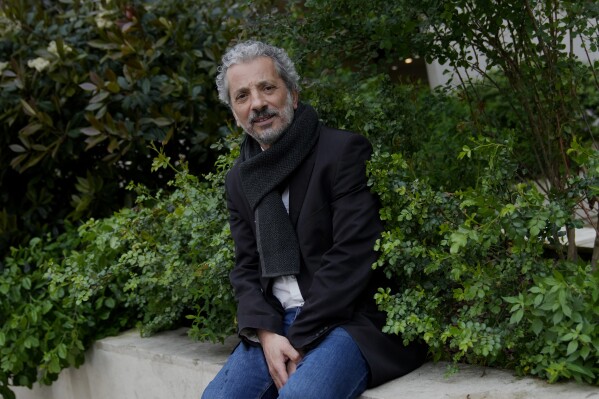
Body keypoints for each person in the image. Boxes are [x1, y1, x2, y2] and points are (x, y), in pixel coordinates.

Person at [201, 40, 426, 399]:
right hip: (275, 325)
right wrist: (267, 335)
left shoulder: (341, 152)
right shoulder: (239, 179)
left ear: (293, 94)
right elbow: (245, 268)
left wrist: (298, 338)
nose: (257, 103)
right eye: (242, 96)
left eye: (267, 88)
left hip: (347, 320)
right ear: (234, 113)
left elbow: (353, 256)